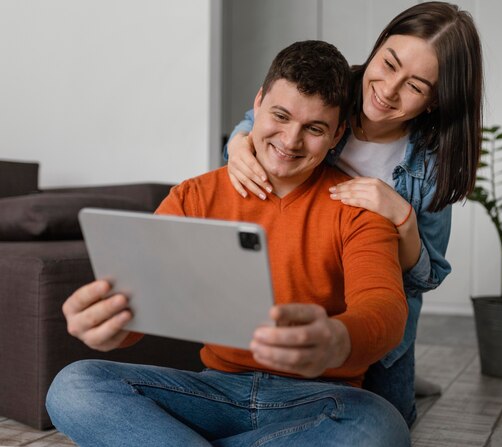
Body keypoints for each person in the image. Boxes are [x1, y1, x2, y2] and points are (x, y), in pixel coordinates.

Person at [46, 40, 411, 447]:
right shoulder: (194, 196)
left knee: (380, 427)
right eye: (280, 115)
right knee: (73, 386)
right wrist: (112, 326)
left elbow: (385, 306)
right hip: (212, 392)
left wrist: (337, 339)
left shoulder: (358, 205)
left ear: (336, 134)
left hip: (319, 398)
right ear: (257, 103)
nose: (290, 141)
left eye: (314, 129)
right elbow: (144, 298)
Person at [224, 1, 483, 427]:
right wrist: (237, 142)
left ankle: (410, 378)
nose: (388, 89)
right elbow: (263, 121)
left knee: (386, 424)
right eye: (389, 63)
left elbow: (427, 275)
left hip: (371, 311)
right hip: (298, 284)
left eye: (416, 86)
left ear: (436, 101)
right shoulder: (333, 89)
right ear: (378, 45)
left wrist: (402, 217)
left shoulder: (431, 164)